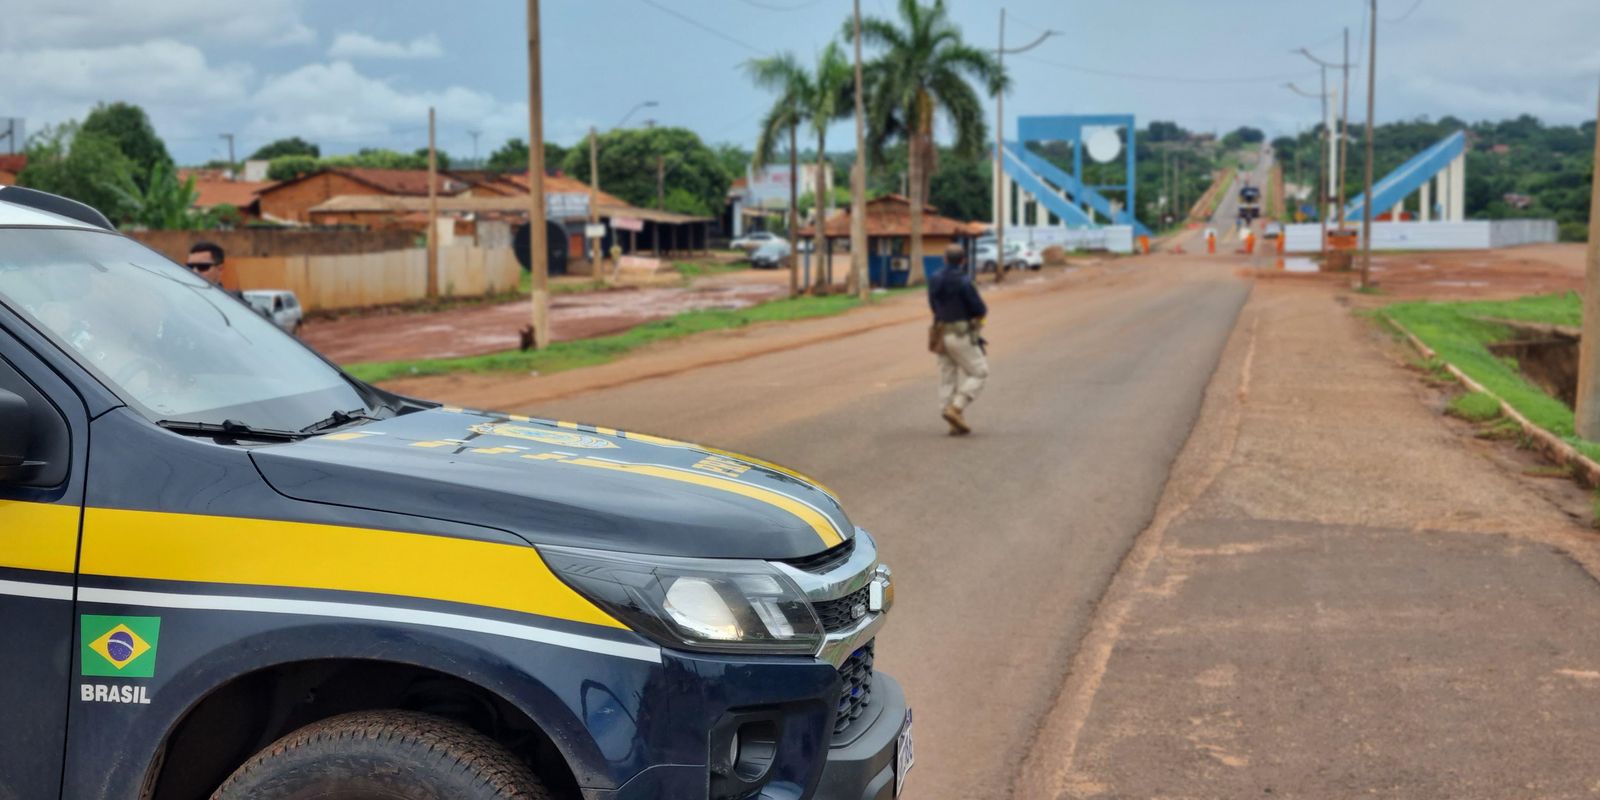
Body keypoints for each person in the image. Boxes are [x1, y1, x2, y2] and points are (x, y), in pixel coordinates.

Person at [927, 243, 989, 435]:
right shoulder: (964, 281)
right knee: (980, 372)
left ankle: (952, 420)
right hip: (960, 334)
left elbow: (932, 305)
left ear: (944, 259)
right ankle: (956, 407)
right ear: (963, 261)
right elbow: (979, 309)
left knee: (947, 376)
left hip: (940, 333)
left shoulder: (935, 278)